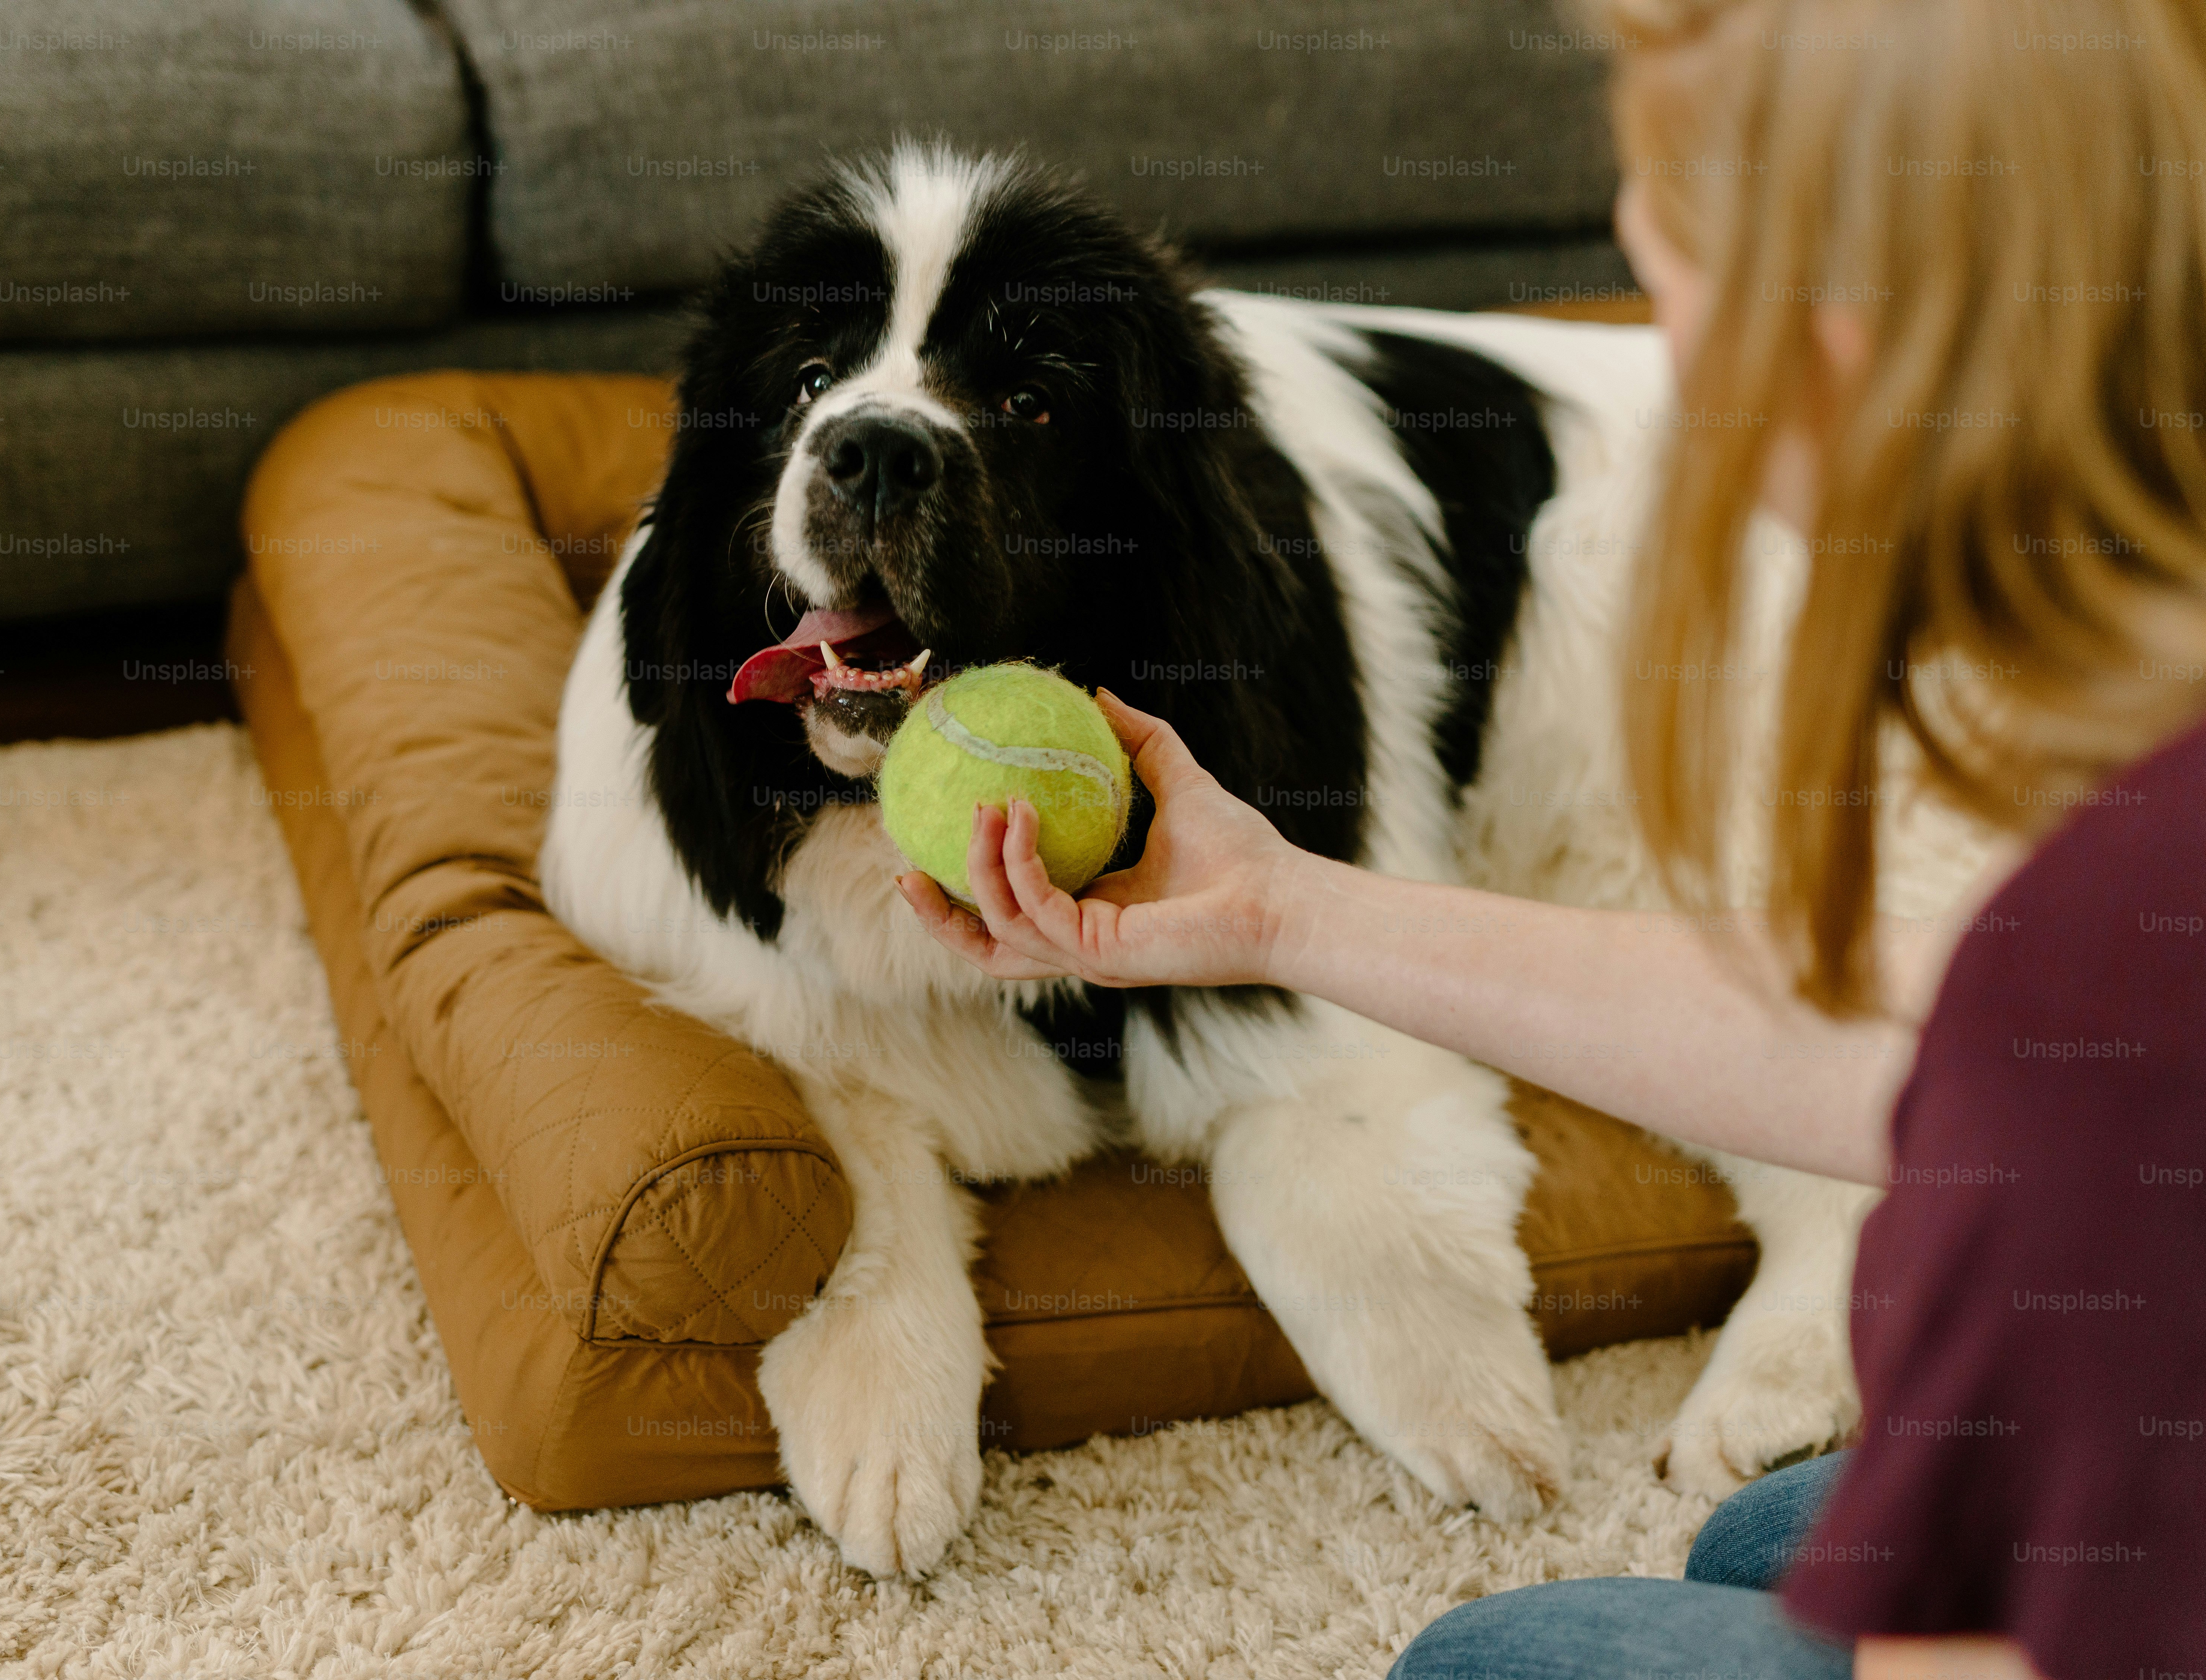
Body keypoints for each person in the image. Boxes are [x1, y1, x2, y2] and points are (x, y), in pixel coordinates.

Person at [898, 0, 2206, 1675]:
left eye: (1663, 268)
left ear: (1839, 332)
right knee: (1761, 1540)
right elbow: (1905, 1034)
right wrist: (1282, 913)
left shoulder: (2107, 968)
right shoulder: (2106, 859)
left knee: (1492, 1662)